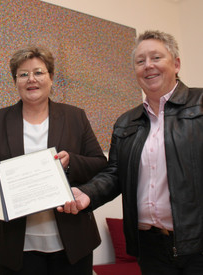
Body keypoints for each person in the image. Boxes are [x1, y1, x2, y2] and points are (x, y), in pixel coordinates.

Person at [59, 30, 203, 275]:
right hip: (151, 249)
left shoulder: (200, 105)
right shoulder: (127, 122)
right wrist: (87, 194)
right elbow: (115, 174)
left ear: (176, 63)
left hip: (197, 247)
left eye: (156, 57)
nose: (148, 66)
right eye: (140, 61)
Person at [0, 45, 107, 275]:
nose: (31, 80)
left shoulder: (75, 116)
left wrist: (71, 162)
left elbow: (99, 163)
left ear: (51, 77)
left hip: (73, 241)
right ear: (15, 81)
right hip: (15, 243)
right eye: (23, 74)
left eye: (38, 72)